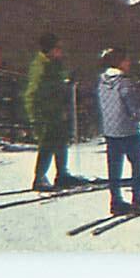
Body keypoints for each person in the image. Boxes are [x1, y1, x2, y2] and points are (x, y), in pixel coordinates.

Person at [96, 47, 140, 215]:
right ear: (120, 63)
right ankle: (137, 200)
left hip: (110, 131)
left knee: (114, 167)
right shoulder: (125, 83)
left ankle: (115, 200)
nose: (129, 63)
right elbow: (134, 109)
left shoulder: (102, 82)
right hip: (128, 131)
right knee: (137, 164)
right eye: (126, 60)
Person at [24, 32, 83, 191]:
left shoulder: (54, 63)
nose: (61, 51)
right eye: (58, 48)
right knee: (48, 145)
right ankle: (39, 178)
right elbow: (33, 93)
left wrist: (68, 78)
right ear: (49, 49)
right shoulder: (41, 67)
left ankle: (62, 174)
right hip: (45, 114)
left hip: (56, 111)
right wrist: (35, 117)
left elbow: (57, 79)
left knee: (61, 141)